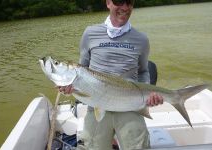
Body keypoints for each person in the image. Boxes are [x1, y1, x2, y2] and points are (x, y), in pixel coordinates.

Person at [59, 0, 163, 149]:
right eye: (119, 1)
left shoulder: (141, 39)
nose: (125, 7)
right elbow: (81, 69)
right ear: (108, 3)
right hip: (97, 102)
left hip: (129, 106)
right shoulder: (90, 33)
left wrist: (149, 92)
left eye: (130, 2)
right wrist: (69, 87)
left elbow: (143, 71)